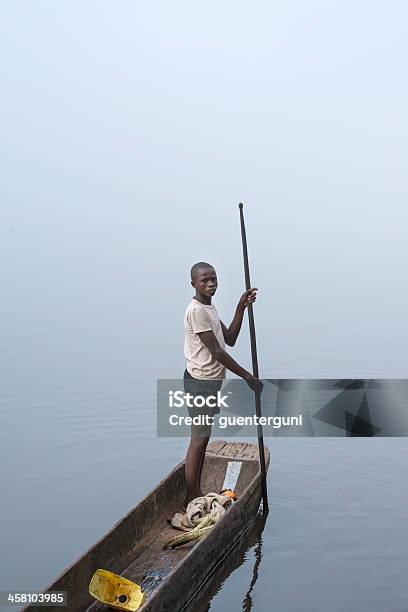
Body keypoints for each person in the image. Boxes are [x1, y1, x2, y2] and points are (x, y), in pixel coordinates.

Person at [183, 261, 263, 503]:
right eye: (205, 280)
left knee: (204, 437)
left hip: (210, 382)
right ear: (193, 284)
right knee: (198, 439)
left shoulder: (209, 308)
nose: (211, 284)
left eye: (214, 279)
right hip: (200, 383)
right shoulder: (196, 311)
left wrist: (241, 307)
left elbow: (230, 338)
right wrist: (247, 376)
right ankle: (191, 494)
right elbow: (217, 352)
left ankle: (193, 491)